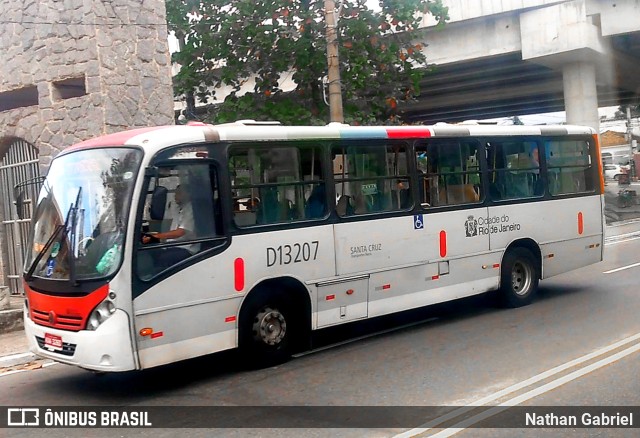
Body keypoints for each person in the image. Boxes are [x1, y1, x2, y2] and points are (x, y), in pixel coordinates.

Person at [142, 184, 196, 268]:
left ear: (188, 194)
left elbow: (180, 232)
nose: (175, 196)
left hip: (186, 248)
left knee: (164, 260)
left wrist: (156, 236)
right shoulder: (177, 207)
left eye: (179, 193)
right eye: (175, 193)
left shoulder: (191, 209)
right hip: (173, 245)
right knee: (151, 249)